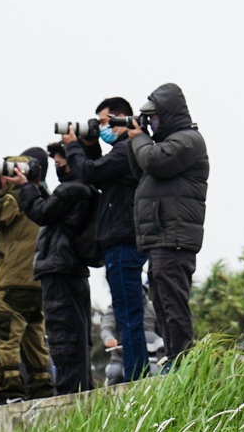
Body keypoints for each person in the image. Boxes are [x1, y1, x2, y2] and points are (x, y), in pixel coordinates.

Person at [130, 83, 209, 363]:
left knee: (173, 304)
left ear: (168, 113)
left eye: (153, 116)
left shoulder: (189, 140)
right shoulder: (165, 143)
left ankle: (183, 363)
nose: (150, 121)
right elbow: (138, 166)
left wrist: (139, 137)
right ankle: (176, 359)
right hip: (162, 237)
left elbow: (152, 161)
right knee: (162, 303)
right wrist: (136, 138)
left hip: (175, 237)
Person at [78, 97, 150, 383]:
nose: (102, 128)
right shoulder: (122, 152)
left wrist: (74, 145)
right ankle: (136, 372)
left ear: (122, 119)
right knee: (125, 312)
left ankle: (137, 375)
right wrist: (89, 143)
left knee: (128, 314)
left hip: (123, 241)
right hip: (118, 241)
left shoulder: (128, 150)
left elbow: (91, 172)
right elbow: (98, 171)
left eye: (105, 122)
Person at [22, 143, 99, 394]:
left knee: (64, 336)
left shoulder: (72, 190)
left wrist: (25, 186)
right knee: (76, 336)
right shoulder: (80, 189)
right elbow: (51, 208)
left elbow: (41, 212)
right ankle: (81, 390)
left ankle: (69, 395)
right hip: (70, 269)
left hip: (59, 269)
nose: (57, 167)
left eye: (60, 162)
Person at [0, 156, 52, 402]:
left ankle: (11, 392)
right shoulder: (37, 195)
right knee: (34, 340)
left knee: (6, 338)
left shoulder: (14, 198)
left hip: (13, 280)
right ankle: (42, 390)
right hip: (35, 281)